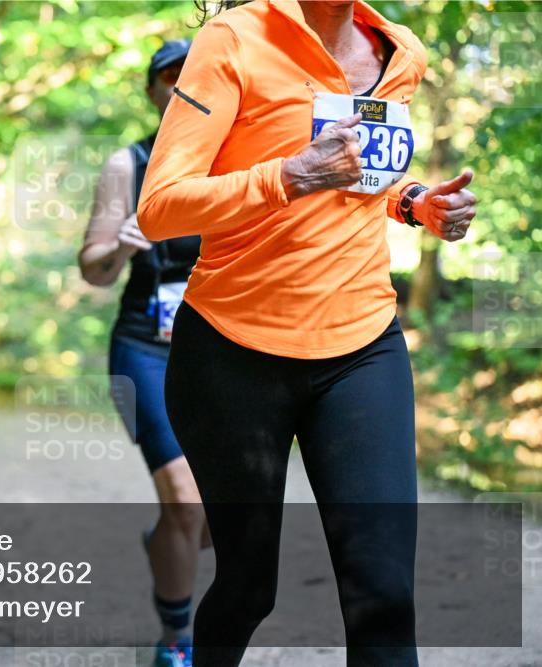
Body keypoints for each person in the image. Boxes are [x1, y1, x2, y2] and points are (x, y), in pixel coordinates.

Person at [137, 1, 478, 665]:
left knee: (383, 593)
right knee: (247, 586)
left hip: (361, 347)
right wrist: (288, 175)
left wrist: (413, 202)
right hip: (233, 353)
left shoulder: (399, 51)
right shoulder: (232, 39)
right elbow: (160, 206)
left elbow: (361, 175)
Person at [79, 40, 209, 667]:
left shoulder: (245, 154)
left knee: (213, 516)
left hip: (227, 353)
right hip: (147, 351)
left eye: (195, 73)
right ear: (153, 92)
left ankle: (167, 546)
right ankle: (176, 641)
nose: (183, 84)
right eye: (169, 76)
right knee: (186, 498)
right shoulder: (127, 164)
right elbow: (94, 272)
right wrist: (124, 245)